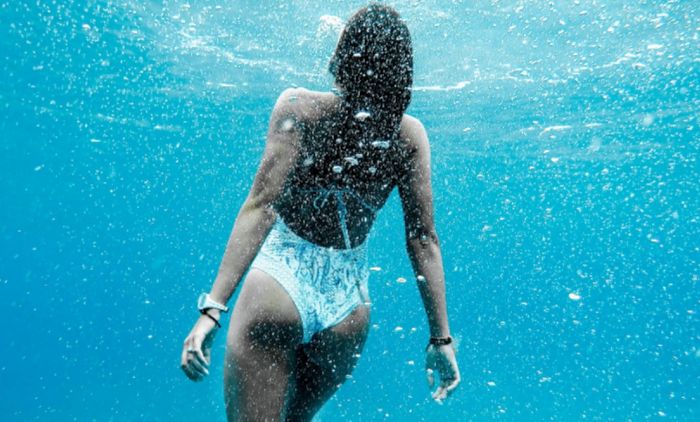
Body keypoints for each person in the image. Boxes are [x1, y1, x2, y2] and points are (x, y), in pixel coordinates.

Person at [180, 4, 460, 421]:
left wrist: (212, 309)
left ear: (342, 56)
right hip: (349, 306)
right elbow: (423, 240)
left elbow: (261, 205)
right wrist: (441, 339)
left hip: (278, 286)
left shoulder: (298, 109)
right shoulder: (410, 137)